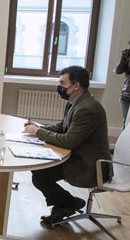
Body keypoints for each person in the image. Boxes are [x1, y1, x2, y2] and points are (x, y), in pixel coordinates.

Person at [23, 66, 112, 225]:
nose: (59, 87)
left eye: (63, 83)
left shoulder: (88, 108)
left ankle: (70, 203)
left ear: (76, 86)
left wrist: (37, 132)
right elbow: (63, 126)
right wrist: (39, 128)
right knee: (38, 168)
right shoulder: (76, 101)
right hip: (78, 155)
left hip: (89, 165)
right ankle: (62, 204)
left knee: (41, 174)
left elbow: (68, 140)